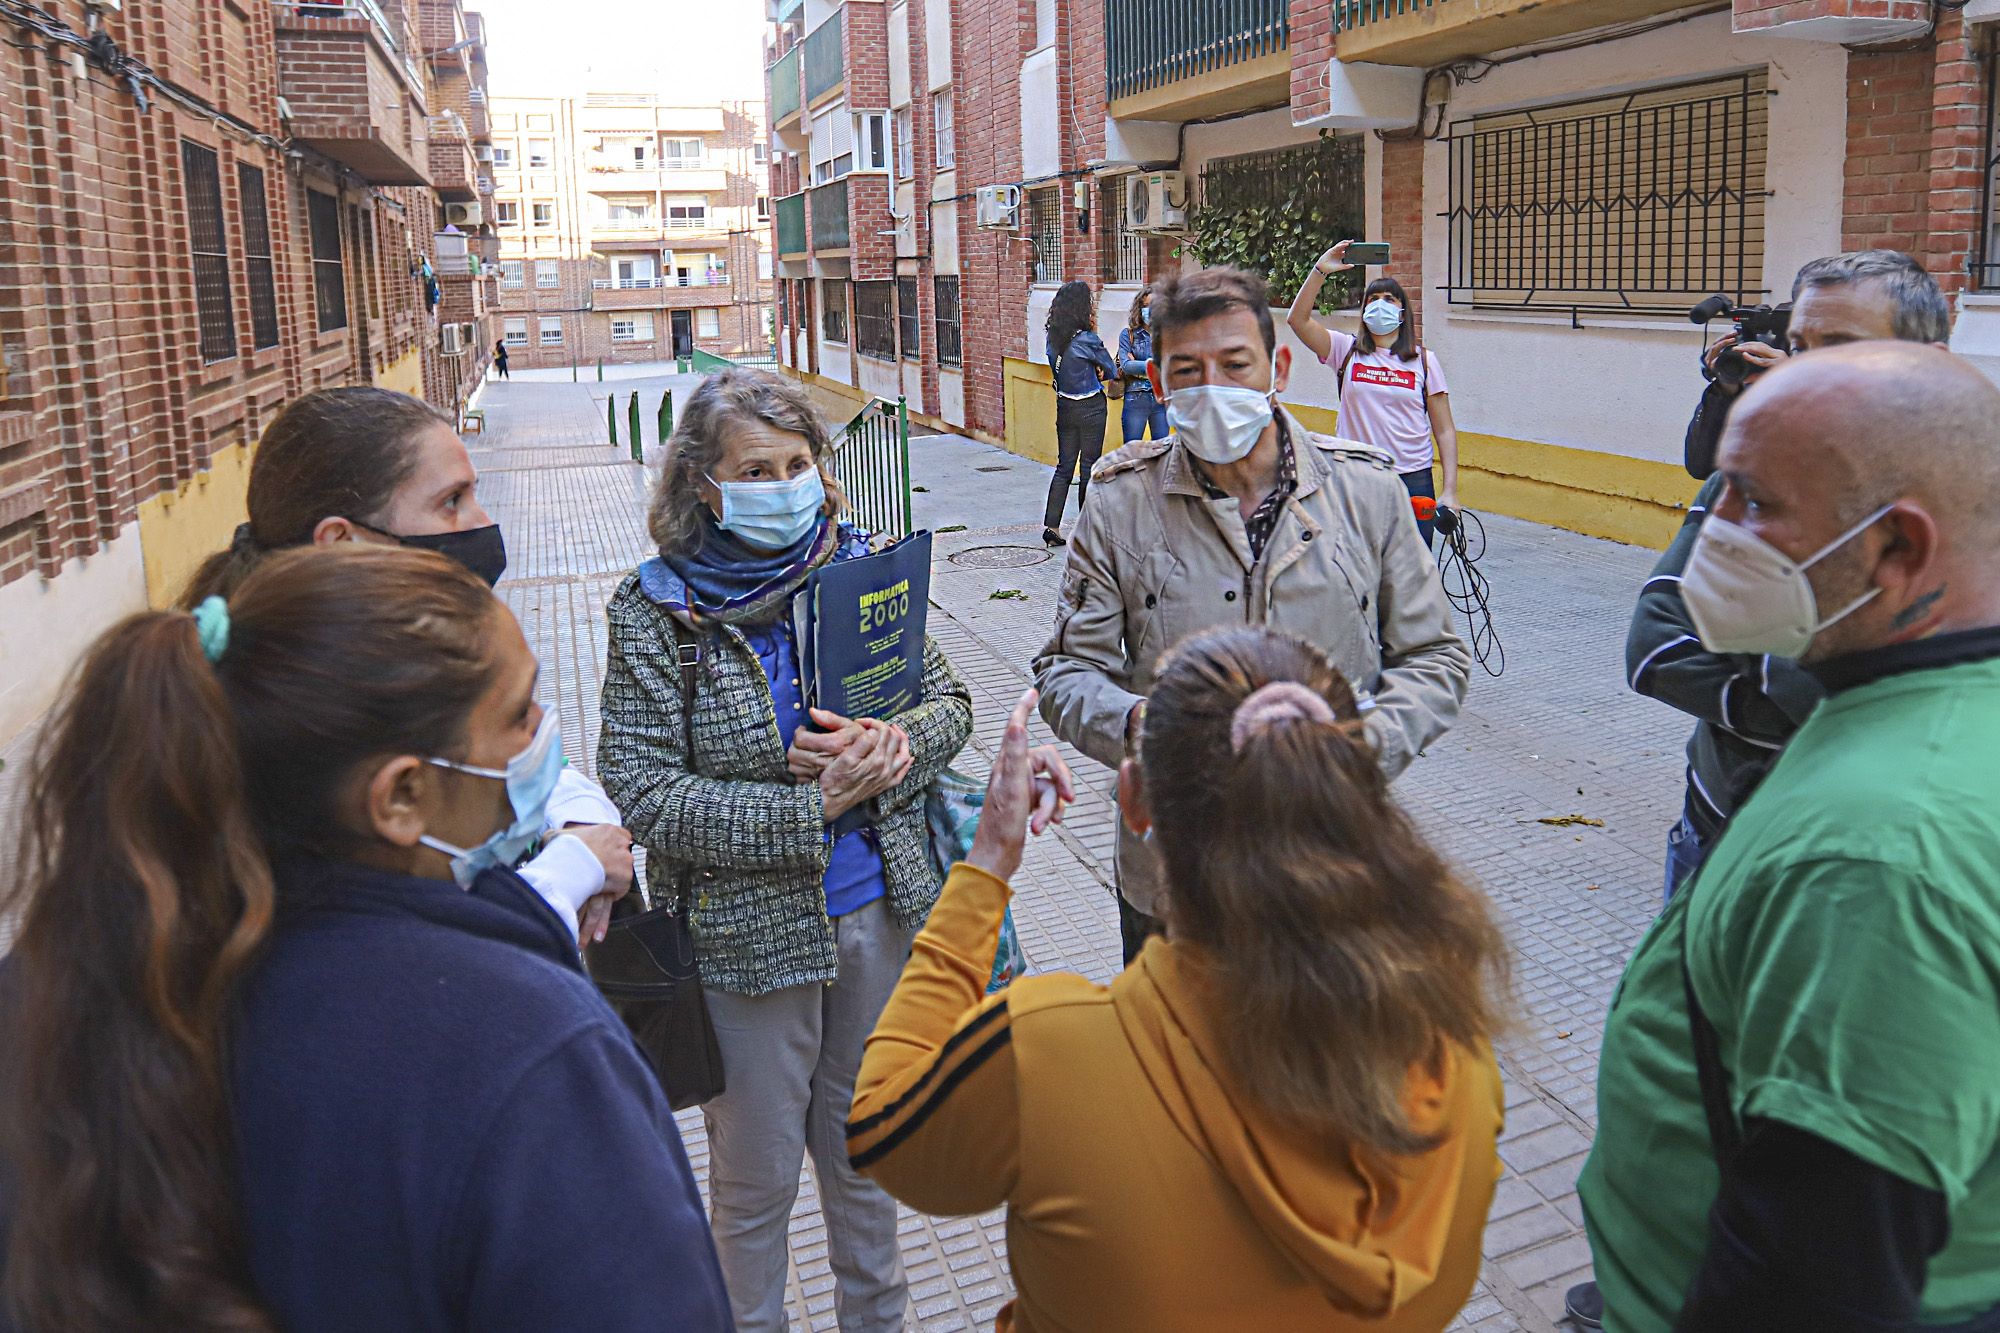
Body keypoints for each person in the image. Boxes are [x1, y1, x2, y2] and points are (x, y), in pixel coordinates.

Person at [0, 545, 731, 1331]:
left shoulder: (62, 985)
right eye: (520, 714)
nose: (545, 741)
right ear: (401, 796)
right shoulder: (522, 1047)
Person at [852, 632, 1508, 1331]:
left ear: (1135, 801)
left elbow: (881, 1126)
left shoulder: (1052, 1056)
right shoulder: (1456, 1047)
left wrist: (985, 864)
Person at [1581, 343, 2000, 1331]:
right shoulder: (1908, 701)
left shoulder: (1874, 860)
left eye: (1753, 503)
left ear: (1896, 547)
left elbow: (1809, 1284)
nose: (1711, 537)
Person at [597, 368, 973, 1333]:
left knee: (865, 1172)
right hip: (743, 952)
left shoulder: (863, 570)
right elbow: (643, 791)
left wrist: (892, 749)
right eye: (755, 467)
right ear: (705, 485)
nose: (783, 482)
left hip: (878, 920)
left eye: (798, 462)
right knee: (755, 1192)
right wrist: (805, 811)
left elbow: (949, 706)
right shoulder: (658, 612)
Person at [1034, 265, 1470, 964]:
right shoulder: (1119, 504)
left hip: (1330, 859)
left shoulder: (1367, 492)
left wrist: (1359, 750)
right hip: (1173, 876)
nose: (1215, 388)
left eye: (1236, 364)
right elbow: (1065, 668)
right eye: (1188, 369)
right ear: (1160, 380)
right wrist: (1139, 728)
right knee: (1174, 1068)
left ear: (1279, 366)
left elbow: (1434, 656)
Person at [181, 386, 632, 946]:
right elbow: (403, 943)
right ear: (343, 544)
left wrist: (578, 823)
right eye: (452, 502)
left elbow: (531, 767)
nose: (484, 523)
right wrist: (562, 878)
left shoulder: (390, 664)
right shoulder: (304, 714)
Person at [1624, 253, 1949, 901]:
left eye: (1843, 347)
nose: (1807, 368)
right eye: (1799, 345)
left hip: (1871, 865)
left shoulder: (1963, 500)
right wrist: (1790, 689)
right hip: (1715, 828)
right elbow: (1654, 648)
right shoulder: (1748, 480)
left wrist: (1753, 659)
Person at [1287, 247, 1458, 548]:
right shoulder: (1345, 351)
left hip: (1412, 478)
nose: (1380, 305)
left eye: (1389, 300)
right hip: (1354, 475)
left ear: (1403, 312)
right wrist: (1320, 270)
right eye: (1373, 300)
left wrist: (1451, 490)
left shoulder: (1424, 361)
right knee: (1356, 566)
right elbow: (1298, 321)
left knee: (1412, 575)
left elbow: (1444, 429)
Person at [1041, 279, 1119, 547]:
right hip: (1090, 408)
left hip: (1065, 407)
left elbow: (1059, 372)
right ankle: (1086, 530)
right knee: (1088, 467)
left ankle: (1051, 527)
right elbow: (1111, 370)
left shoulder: (1053, 339)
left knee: (1064, 467)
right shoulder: (1088, 340)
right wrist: (1099, 370)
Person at [1115, 285, 1167, 444]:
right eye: (1145, 306)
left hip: (1161, 398)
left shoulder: (1167, 335)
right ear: (1139, 308)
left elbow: (1171, 365)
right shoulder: (1128, 334)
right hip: (1135, 397)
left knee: (1161, 449)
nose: (1149, 310)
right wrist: (1155, 366)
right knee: (1131, 451)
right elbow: (1125, 366)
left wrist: (1138, 364)